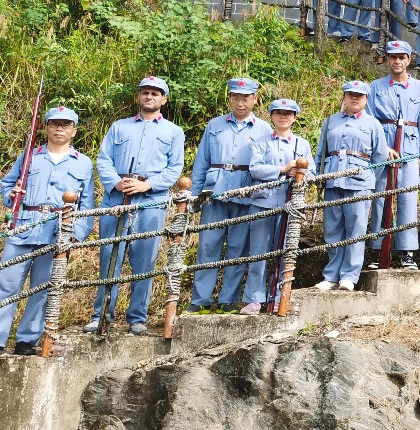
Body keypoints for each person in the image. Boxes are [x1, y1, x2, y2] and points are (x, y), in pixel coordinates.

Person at [86, 77, 186, 334]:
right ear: (139, 96)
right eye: (145, 92)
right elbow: (103, 159)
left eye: (155, 93)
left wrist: (147, 185)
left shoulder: (174, 132)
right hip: (116, 199)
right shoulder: (119, 127)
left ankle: (137, 318)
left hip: (151, 202)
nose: (149, 97)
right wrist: (115, 183)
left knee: (144, 261)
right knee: (110, 258)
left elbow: (174, 168)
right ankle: (101, 315)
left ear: (164, 99)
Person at [0, 106, 95, 354]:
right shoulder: (30, 155)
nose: (59, 128)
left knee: (42, 290)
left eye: (65, 124)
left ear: (74, 131)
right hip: (23, 228)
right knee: (6, 286)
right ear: (45, 128)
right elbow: (7, 184)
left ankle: (26, 341)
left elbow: (87, 205)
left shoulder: (83, 163)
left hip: (56, 232)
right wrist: (11, 195)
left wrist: (76, 234)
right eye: (54, 124)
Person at [189, 77, 270, 313]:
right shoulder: (214, 125)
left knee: (238, 248)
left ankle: (228, 300)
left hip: (246, 194)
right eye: (235, 97)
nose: (240, 103)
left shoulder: (264, 129)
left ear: (255, 99)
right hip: (215, 192)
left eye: (245, 98)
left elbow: (267, 164)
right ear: (230, 98)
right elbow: (202, 161)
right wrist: (195, 195)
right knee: (208, 246)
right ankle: (200, 301)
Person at [315, 81, 393, 290]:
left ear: (366, 99)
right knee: (332, 230)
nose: (354, 98)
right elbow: (321, 152)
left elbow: (380, 157)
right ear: (344, 96)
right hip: (333, 181)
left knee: (356, 230)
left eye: (359, 95)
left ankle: (349, 275)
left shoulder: (373, 124)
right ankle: (331, 276)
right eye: (350, 94)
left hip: (359, 184)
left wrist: (367, 178)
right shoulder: (331, 121)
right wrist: (319, 176)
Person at [367, 41, 420, 269]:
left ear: (408, 60)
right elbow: (370, 121)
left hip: (410, 150)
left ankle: (407, 253)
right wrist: (381, 147)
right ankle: (379, 251)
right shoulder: (375, 87)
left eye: (401, 57)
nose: (397, 61)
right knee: (380, 199)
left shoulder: (419, 88)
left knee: (408, 200)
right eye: (392, 57)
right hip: (383, 151)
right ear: (387, 59)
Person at [241, 99, 313, 314]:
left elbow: (312, 173)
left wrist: (300, 174)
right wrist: (283, 169)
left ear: (295, 118)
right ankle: (254, 299)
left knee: (285, 252)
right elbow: (255, 169)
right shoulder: (261, 142)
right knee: (259, 253)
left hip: (290, 205)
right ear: (271, 116)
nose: (283, 116)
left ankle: (280, 297)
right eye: (278, 113)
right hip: (263, 203)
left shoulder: (302, 144)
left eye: (288, 113)